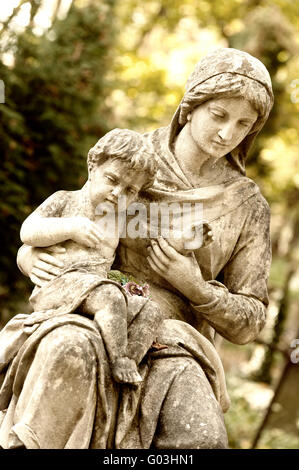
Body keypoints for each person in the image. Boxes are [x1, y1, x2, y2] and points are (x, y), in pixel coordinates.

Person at [1, 48, 273, 449]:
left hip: (175, 338)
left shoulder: (248, 205)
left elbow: (250, 321)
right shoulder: (132, 158)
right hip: (93, 308)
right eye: (219, 115)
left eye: (243, 124)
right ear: (190, 106)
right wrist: (29, 257)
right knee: (67, 353)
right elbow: (76, 214)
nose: (228, 134)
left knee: (202, 435)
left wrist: (195, 288)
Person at [18, 127, 163, 385]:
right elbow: (28, 230)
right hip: (59, 284)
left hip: (95, 290)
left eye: (130, 190)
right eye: (112, 179)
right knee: (109, 296)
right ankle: (117, 358)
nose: (117, 193)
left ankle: (129, 361)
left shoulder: (119, 220)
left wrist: (192, 236)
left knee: (151, 311)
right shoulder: (65, 201)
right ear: (92, 167)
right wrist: (71, 227)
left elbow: (154, 239)